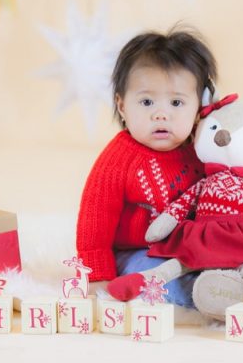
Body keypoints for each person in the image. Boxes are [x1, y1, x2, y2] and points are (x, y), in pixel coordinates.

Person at [75, 25, 216, 308]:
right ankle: (201, 297)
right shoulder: (118, 160)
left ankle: (224, 287)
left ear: (199, 108)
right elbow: (94, 224)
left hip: (189, 251)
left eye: (176, 102)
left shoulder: (202, 151)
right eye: (147, 101)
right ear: (122, 106)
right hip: (137, 251)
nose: (161, 114)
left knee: (224, 265)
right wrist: (97, 277)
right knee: (155, 278)